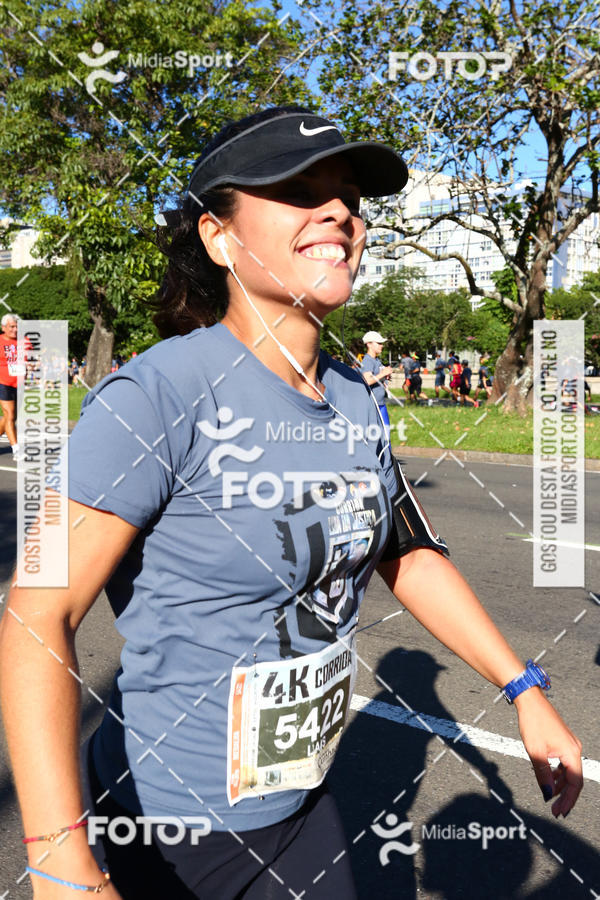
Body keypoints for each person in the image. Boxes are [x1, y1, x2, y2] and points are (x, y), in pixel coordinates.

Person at [0, 105, 583, 900]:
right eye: (299, 191)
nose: (338, 211)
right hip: (170, 824)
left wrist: (524, 690)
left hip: (301, 803)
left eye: (348, 196)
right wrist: (58, 860)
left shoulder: (358, 398)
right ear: (218, 238)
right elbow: (36, 612)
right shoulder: (156, 395)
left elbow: (408, 555)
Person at [0, 313, 25, 459]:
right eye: (12, 327)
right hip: (3, 383)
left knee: (10, 417)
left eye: (17, 326)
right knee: (9, 414)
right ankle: (16, 450)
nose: (15, 329)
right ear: (3, 327)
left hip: (19, 384)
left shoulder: (23, 341)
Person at [360, 331, 393, 435]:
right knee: (380, 435)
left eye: (381, 343)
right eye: (378, 343)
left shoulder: (376, 360)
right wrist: (383, 373)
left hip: (380, 403)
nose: (381, 345)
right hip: (373, 405)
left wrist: (385, 377)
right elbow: (367, 380)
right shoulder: (368, 361)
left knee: (385, 434)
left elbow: (377, 377)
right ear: (369, 344)